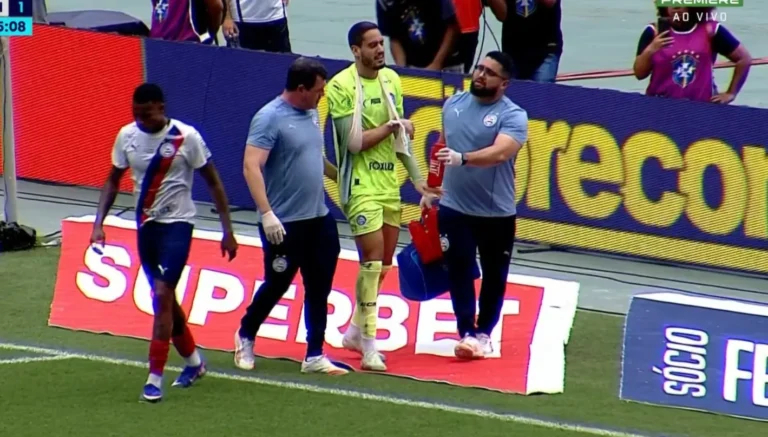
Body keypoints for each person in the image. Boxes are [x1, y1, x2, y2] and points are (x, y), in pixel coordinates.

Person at [90, 83, 239, 402]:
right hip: (146, 227)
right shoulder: (126, 136)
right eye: (135, 113)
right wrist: (98, 224)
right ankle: (195, 363)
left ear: (161, 106)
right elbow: (112, 180)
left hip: (178, 226)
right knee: (166, 301)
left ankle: (154, 378)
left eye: (145, 113)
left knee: (161, 294)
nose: (140, 119)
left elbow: (213, 182)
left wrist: (228, 230)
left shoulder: (187, 137)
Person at [326, 21, 440, 371]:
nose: (379, 50)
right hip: (359, 186)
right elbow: (354, 143)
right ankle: (370, 346)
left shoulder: (392, 80)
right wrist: (393, 127)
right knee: (372, 260)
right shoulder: (341, 85)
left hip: (388, 184)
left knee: (384, 264)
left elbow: (400, 140)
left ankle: (355, 332)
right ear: (355, 50)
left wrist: (419, 180)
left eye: (381, 43)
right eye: (372, 45)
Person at [235, 57, 347, 375]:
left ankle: (314, 353)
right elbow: (250, 165)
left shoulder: (311, 112)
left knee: (319, 285)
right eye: (318, 90)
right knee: (278, 283)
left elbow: (313, 155)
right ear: (300, 89)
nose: (321, 96)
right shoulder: (269, 118)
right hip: (285, 222)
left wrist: (338, 176)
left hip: (318, 217)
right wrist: (267, 214)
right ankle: (245, 334)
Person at [421, 51, 527, 359]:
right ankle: (466, 331)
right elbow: (441, 145)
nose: (479, 74)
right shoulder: (453, 104)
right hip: (455, 207)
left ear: (503, 83)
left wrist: (463, 158)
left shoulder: (513, 115)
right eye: (478, 67)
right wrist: (431, 187)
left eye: (489, 72)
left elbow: (500, 153)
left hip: (496, 212)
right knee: (459, 268)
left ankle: (485, 332)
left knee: (494, 275)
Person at [633, 6, 751, 104]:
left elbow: (744, 59)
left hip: (701, 106)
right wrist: (651, 49)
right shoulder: (653, 31)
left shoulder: (710, 29)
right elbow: (639, 74)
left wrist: (731, 93)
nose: (676, 6)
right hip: (660, 106)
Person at [485, 0, 562, 83]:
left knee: (541, 92)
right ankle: (467, 88)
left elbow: (549, 2)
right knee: (514, 93)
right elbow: (502, 16)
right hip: (513, 49)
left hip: (546, 48)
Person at [376, 0, 462, 72]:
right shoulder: (384, 2)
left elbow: (452, 27)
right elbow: (394, 37)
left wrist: (436, 64)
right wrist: (402, 70)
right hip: (413, 66)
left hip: (447, 64)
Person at [222, 0, 292, 52]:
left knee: (282, 65)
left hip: (277, 17)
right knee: (243, 67)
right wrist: (227, 17)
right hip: (244, 19)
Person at [150, 0, 223, 44]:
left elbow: (216, 6)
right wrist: (211, 32)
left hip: (158, 45)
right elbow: (216, 6)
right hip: (185, 46)